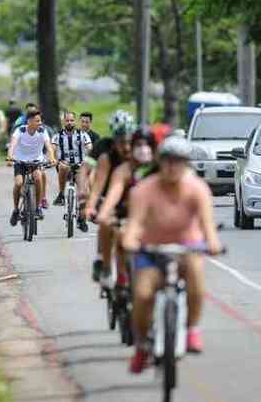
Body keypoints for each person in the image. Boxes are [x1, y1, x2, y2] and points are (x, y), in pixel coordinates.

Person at [122, 136, 222, 373]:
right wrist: (129, 240)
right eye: (167, 161)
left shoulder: (197, 188)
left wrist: (213, 243)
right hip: (151, 251)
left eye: (178, 162)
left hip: (187, 248)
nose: (171, 167)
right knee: (142, 294)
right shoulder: (143, 190)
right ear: (159, 162)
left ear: (186, 164)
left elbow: (208, 225)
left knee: (196, 277)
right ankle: (142, 346)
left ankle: (191, 329)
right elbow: (134, 224)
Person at [83, 110, 134, 286]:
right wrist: (88, 200)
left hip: (135, 200)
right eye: (121, 141)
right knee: (106, 222)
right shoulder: (105, 152)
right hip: (109, 194)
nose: (126, 147)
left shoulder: (140, 154)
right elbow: (89, 176)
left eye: (129, 141)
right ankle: (104, 264)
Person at [7, 111, 57, 223]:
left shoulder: (42, 131)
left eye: (40, 121)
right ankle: (15, 210)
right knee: (19, 183)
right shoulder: (20, 130)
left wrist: (52, 157)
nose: (40, 123)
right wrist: (10, 156)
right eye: (37, 121)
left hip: (36, 162)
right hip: (20, 162)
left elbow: (48, 146)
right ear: (29, 121)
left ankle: (38, 207)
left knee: (38, 178)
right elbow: (13, 144)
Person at [51, 112, 92, 232]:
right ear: (63, 122)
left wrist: (90, 157)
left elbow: (90, 147)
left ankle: (81, 218)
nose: (69, 122)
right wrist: (53, 159)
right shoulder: (57, 136)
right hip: (65, 165)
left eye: (72, 120)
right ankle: (61, 194)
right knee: (63, 167)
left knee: (84, 193)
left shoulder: (83, 135)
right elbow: (52, 148)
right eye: (67, 120)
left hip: (80, 166)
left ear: (75, 121)